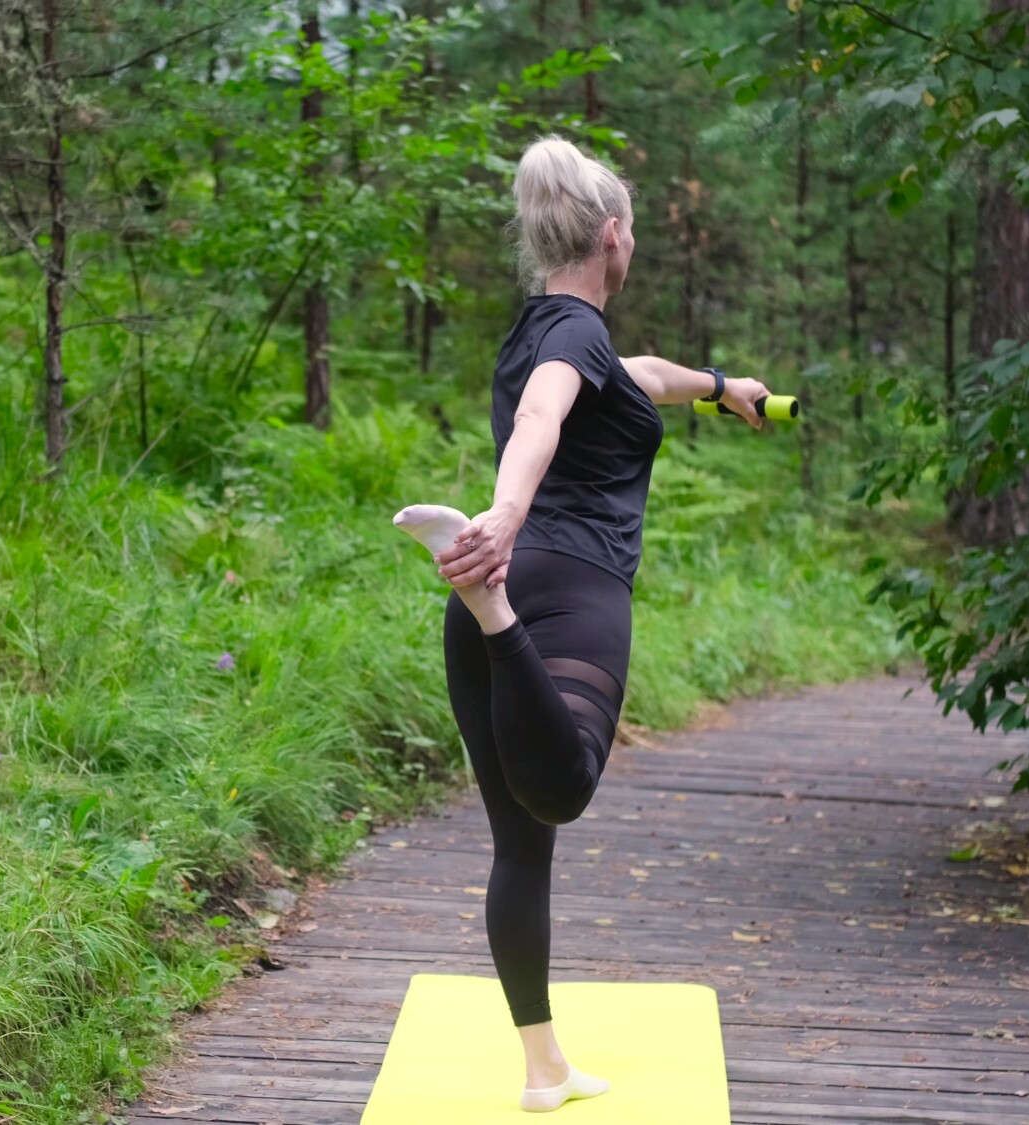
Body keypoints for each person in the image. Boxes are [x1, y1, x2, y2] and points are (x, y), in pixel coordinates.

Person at [393, 135, 773, 1112]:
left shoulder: (546, 329)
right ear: (612, 236)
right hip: (561, 592)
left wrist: (719, 389)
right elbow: (543, 420)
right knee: (557, 790)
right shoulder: (567, 346)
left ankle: (543, 1069)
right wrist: (504, 521)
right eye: (632, 227)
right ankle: (492, 604)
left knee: (521, 847)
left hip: (498, 600)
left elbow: (631, 374)